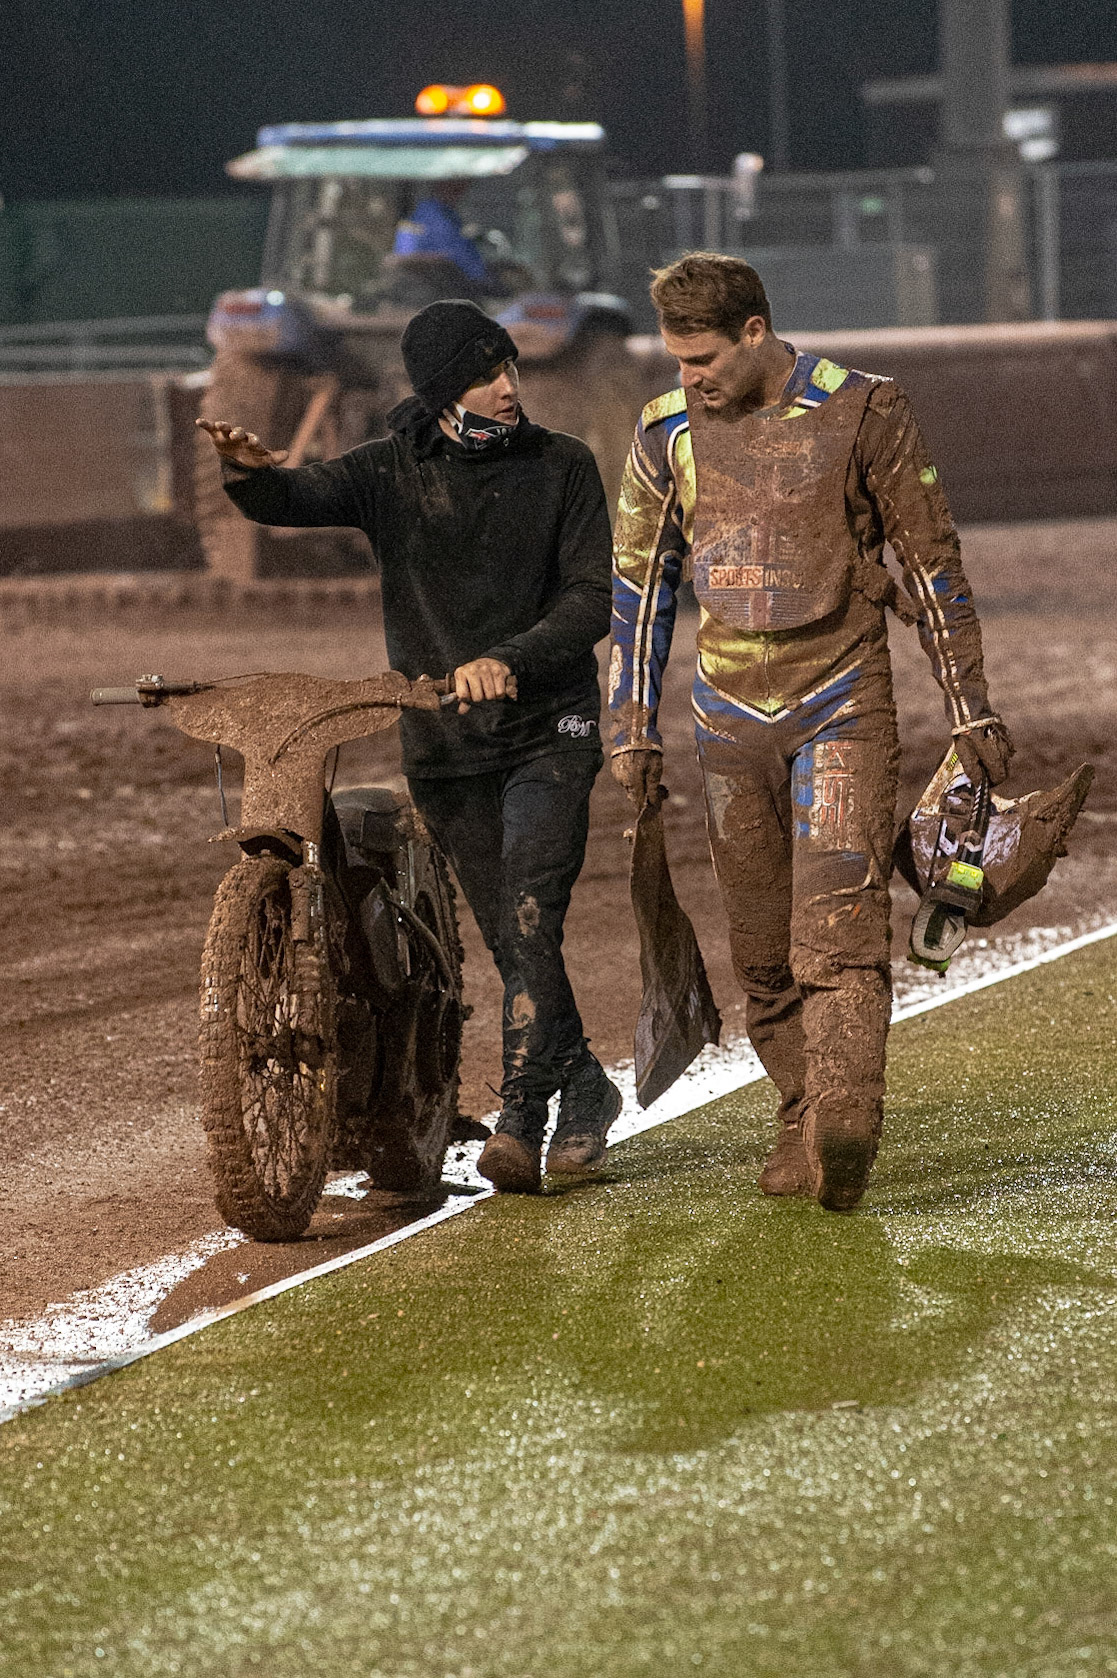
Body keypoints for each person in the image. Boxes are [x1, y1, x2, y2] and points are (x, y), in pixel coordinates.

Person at [608, 253, 1014, 1212]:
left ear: (755, 332)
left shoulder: (864, 408)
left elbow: (927, 562)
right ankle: (798, 1107)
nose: (687, 376)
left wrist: (970, 704)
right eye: (674, 360)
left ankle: (844, 1118)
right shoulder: (665, 430)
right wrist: (630, 727)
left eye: (701, 357)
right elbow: (638, 589)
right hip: (723, 722)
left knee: (835, 934)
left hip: (842, 701)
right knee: (760, 949)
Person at [197, 299, 620, 1194]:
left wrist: (507, 659)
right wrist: (244, 472)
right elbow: (293, 496)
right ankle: (586, 1090)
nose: (506, 388)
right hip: (445, 746)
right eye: (482, 375)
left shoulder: (564, 467)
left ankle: (522, 1113)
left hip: (550, 731)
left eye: (508, 368)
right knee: (512, 937)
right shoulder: (391, 472)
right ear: (438, 396)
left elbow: (590, 602)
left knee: (533, 914)